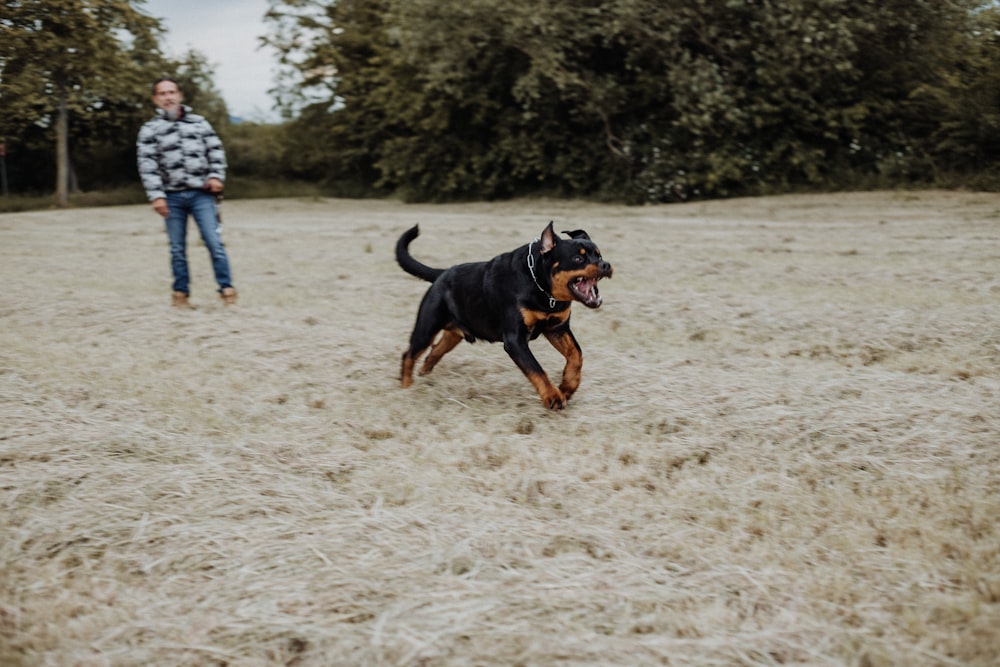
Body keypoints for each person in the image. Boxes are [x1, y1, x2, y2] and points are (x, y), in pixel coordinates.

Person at [137, 77, 237, 307]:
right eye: (162, 93)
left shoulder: (199, 123)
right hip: (171, 197)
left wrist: (215, 176)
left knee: (214, 243)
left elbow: (216, 153)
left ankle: (227, 290)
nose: (168, 97)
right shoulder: (150, 130)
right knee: (177, 249)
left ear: (180, 95)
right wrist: (157, 196)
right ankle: (180, 295)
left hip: (201, 194)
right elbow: (148, 165)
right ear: (155, 99)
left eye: (172, 92)